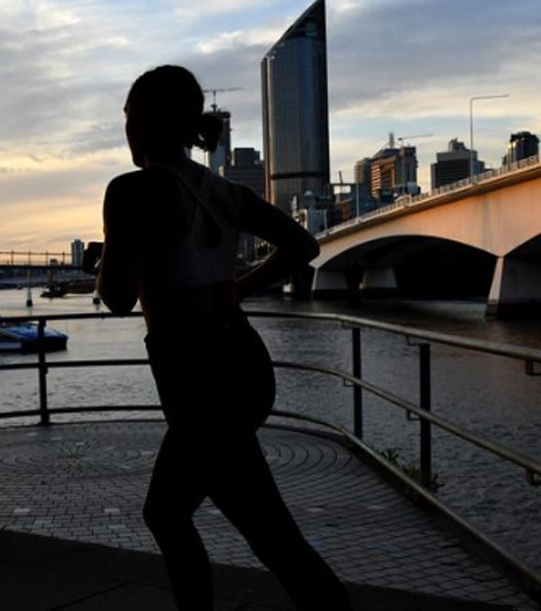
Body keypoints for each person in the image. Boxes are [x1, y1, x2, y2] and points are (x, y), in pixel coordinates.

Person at [96, 65, 351, 611]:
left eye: (127, 117)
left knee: (262, 534)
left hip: (195, 372)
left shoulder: (131, 191)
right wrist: (237, 288)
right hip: (241, 360)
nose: (126, 130)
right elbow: (302, 246)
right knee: (178, 513)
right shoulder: (224, 192)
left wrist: (110, 249)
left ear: (140, 122)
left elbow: (117, 295)